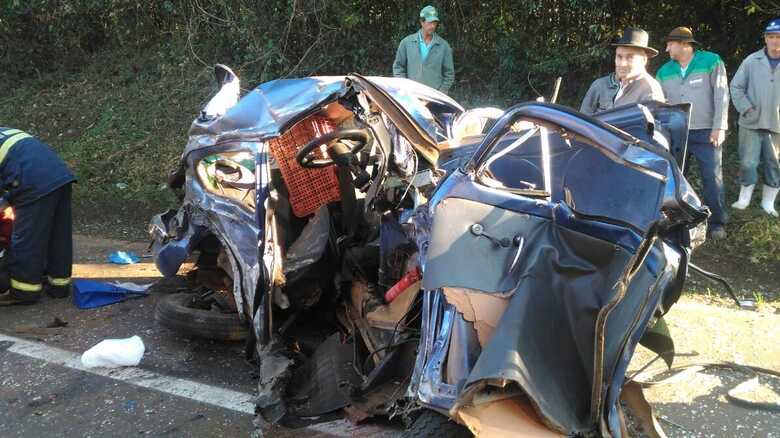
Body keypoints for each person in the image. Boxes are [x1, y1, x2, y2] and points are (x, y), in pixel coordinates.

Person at [656, 27, 730, 238]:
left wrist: (719, 127)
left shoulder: (711, 61)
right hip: (677, 133)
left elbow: (721, 95)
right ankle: (674, 218)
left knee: (712, 178)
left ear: (684, 44)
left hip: (707, 132)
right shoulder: (664, 71)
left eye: (670, 44)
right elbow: (660, 105)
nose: (667, 48)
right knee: (675, 178)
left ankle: (717, 223)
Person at [0, 128, 75, 305]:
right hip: (59, 175)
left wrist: (6, 200)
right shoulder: (5, 132)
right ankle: (59, 287)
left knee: (27, 239)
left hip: (32, 181)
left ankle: (24, 292)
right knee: (58, 235)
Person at [730, 19, 780, 217]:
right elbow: (736, 87)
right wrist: (745, 107)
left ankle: (768, 203)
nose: (775, 41)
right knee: (748, 162)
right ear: (765, 39)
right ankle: (744, 199)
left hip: (777, 124)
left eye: (778, 37)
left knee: (775, 163)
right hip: (751, 122)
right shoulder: (752, 61)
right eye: (771, 37)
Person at [580, 27, 665, 115]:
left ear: (643, 60)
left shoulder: (650, 90)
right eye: (619, 56)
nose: (622, 63)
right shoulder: (600, 85)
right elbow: (581, 121)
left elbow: (653, 127)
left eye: (630, 57)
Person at [392, 5, 455, 93]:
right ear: (422, 22)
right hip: (411, 95)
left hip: (434, 98)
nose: (433, 26)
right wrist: (404, 87)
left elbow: (449, 74)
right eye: (430, 22)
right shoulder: (407, 42)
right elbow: (398, 67)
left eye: (435, 22)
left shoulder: (444, 46)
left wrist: (440, 93)